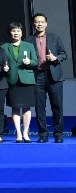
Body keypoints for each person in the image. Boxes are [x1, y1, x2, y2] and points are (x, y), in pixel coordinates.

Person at [25, 13, 69, 143]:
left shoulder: (55, 37)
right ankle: (43, 134)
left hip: (53, 76)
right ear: (33, 24)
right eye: (37, 22)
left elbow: (64, 54)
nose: (39, 24)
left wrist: (55, 58)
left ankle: (58, 134)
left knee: (57, 106)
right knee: (40, 107)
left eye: (42, 22)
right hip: (37, 75)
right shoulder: (28, 40)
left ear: (46, 23)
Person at [3, 22, 38, 143]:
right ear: (10, 33)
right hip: (12, 80)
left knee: (27, 107)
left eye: (18, 30)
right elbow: (2, 62)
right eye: (13, 31)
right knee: (15, 107)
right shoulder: (4, 47)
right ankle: (18, 132)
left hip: (26, 80)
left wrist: (29, 62)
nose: (16, 33)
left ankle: (26, 132)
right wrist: (4, 68)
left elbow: (36, 62)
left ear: (22, 32)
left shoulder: (29, 46)